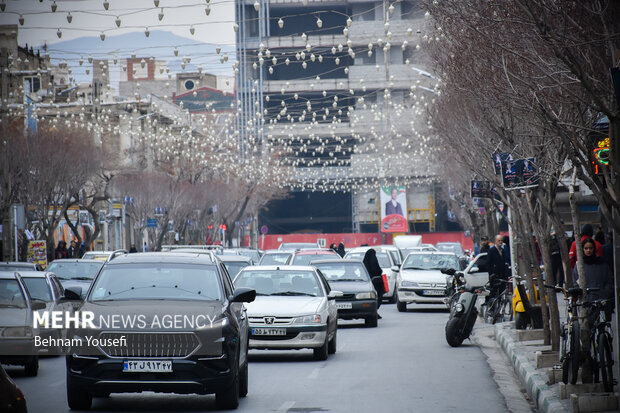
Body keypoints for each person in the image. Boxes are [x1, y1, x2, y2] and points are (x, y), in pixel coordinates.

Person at [572, 238, 614, 325]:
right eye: (586, 248)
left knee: (602, 325)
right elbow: (576, 282)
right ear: (582, 249)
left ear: (594, 249)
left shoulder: (603, 264)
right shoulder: (579, 266)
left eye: (590, 248)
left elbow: (609, 280)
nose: (588, 251)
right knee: (588, 327)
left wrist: (605, 293)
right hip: (586, 302)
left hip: (601, 302)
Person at [486, 235, 508, 304]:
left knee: (501, 293)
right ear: (495, 241)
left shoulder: (503, 251)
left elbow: (504, 262)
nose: (500, 242)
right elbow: (488, 264)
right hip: (494, 276)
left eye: (501, 240)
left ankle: (498, 308)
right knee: (493, 293)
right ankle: (492, 308)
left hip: (502, 276)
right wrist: (491, 274)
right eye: (499, 240)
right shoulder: (491, 250)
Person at [363, 248, 384, 317]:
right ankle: (375, 311)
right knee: (378, 296)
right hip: (376, 282)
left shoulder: (364, 263)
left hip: (368, 283)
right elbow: (377, 270)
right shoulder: (374, 262)